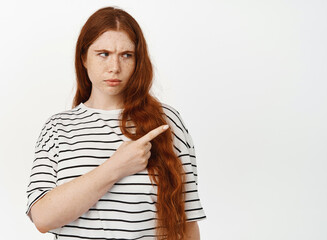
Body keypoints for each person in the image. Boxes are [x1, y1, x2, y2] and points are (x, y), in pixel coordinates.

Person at [25, 6, 206, 240]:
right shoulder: (58, 128)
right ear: (84, 58)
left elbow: (187, 223)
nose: (114, 67)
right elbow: (42, 218)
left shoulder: (166, 122)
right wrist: (116, 167)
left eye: (126, 55)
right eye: (103, 53)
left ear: (138, 60)